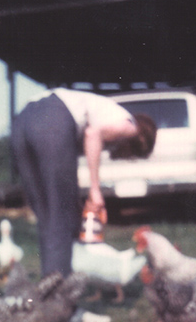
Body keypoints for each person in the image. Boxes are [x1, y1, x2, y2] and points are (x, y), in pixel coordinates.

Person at [10, 87, 157, 277]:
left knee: (47, 217)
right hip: (54, 117)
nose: (126, 156)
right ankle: (59, 296)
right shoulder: (130, 125)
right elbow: (92, 134)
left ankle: (48, 288)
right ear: (142, 139)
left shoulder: (104, 110)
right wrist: (95, 190)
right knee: (61, 219)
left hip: (22, 121)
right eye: (133, 154)